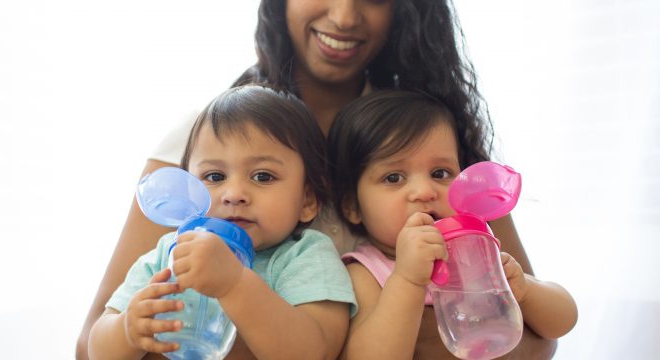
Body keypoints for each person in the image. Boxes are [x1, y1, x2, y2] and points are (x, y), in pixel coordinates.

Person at [78, 1, 558, 358]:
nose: (346, 17)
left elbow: (539, 337)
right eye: (214, 177)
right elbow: (94, 344)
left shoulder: (430, 138)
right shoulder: (200, 136)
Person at [87, 85, 357, 360]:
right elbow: (95, 350)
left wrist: (235, 284)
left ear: (308, 199)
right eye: (215, 177)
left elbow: (314, 352)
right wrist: (127, 330)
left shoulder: (304, 256)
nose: (234, 195)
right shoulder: (170, 251)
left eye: (262, 176)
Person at [328, 90, 578, 359]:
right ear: (352, 206)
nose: (425, 191)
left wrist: (526, 289)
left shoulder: (476, 250)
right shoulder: (366, 273)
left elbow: (563, 322)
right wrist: (407, 280)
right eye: (393, 178)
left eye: (440, 173)